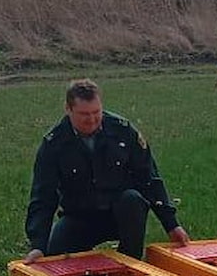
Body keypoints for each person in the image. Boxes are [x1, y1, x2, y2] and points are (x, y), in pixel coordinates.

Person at [24, 79, 189, 262]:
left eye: (96, 112)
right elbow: (43, 196)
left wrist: (171, 225)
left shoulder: (123, 131)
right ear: (68, 109)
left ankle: (129, 268)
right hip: (80, 216)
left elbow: (148, 178)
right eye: (84, 114)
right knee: (53, 257)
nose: (92, 119)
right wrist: (38, 245)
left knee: (132, 200)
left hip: (118, 214)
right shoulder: (54, 144)